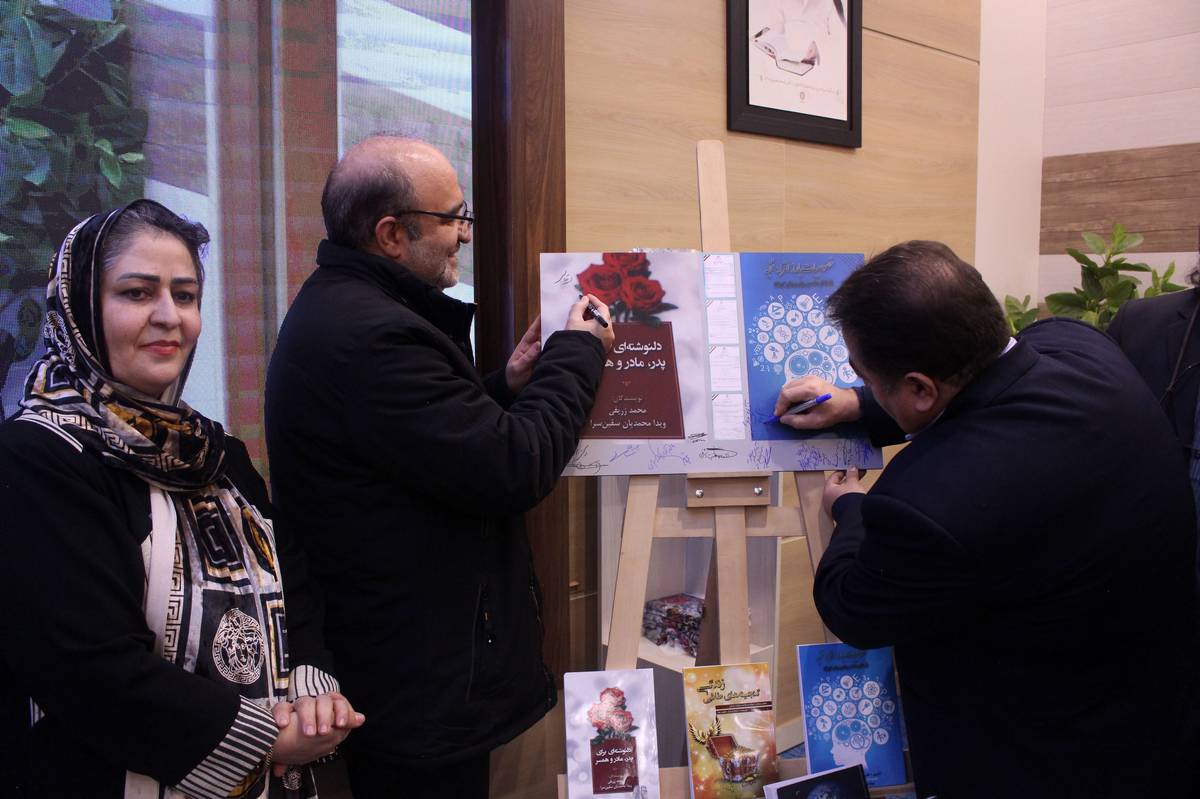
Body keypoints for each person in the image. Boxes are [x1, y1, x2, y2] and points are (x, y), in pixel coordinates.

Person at [773, 241, 1197, 798]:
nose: (863, 382)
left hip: (1039, 759)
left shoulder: (928, 501)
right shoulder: (1080, 346)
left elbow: (852, 608)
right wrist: (860, 404)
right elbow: (986, 388)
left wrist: (848, 507)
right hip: (1149, 719)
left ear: (920, 387)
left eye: (864, 375)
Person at [264, 135, 612, 798]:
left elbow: (424, 448)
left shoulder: (355, 309)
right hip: (416, 679)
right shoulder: (373, 333)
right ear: (391, 234)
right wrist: (578, 353)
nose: (466, 234)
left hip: (411, 665)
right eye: (453, 218)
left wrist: (505, 387)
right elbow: (513, 465)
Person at [0, 200, 364, 797]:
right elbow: (86, 668)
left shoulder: (215, 453)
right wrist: (267, 741)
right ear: (80, 307)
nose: (170, 316)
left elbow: (295, 588)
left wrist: (312, 697)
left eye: (186, 295)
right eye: (137, 293)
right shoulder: (37, 458)